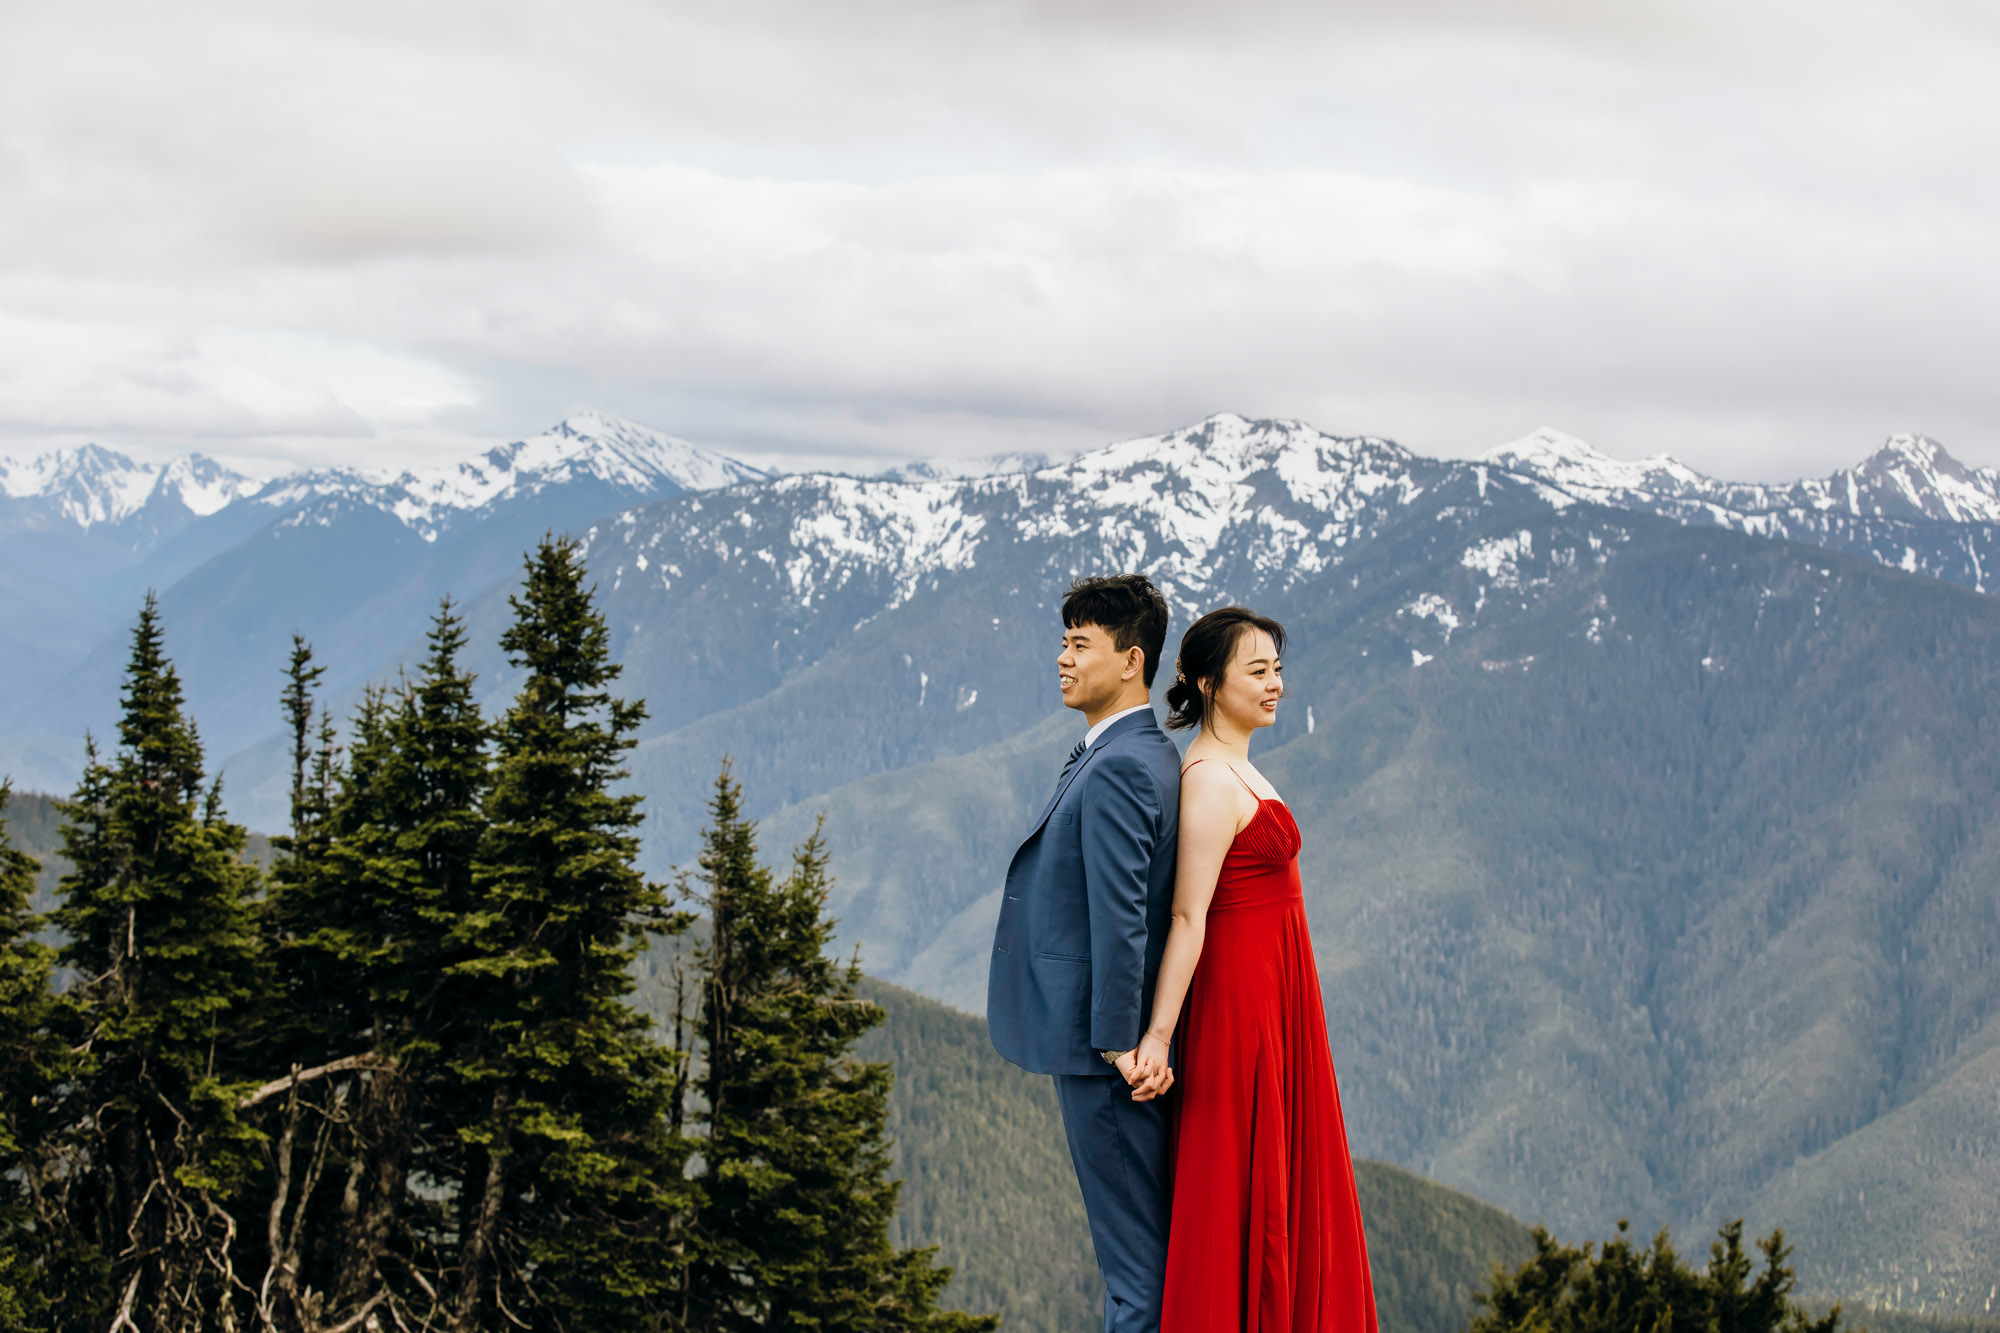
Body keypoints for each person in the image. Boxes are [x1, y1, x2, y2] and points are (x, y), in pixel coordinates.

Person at [1129, 606, 1377, 1333]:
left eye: (1277, 669)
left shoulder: (1240, 764)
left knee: (1284, 1182)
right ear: (1208, 681)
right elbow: (1186, 916)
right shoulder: (1207, 778)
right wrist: (1159, 1035)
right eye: (1258, 670)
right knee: (1251, 1184)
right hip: (1246, 1011)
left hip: (1282, 996)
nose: (1277, 684)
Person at [988, 573, 1181, 1333]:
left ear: (1131, 659)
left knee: (1134, 1269)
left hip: (1108, 1059)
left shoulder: (1125, 765)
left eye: (1079, 644)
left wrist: (1117, 1044)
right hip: (1114, 1049)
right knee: (1135, 1256)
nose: (1062, 659)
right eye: (1063, 643)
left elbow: (1123, 917)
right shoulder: (1128, 752)